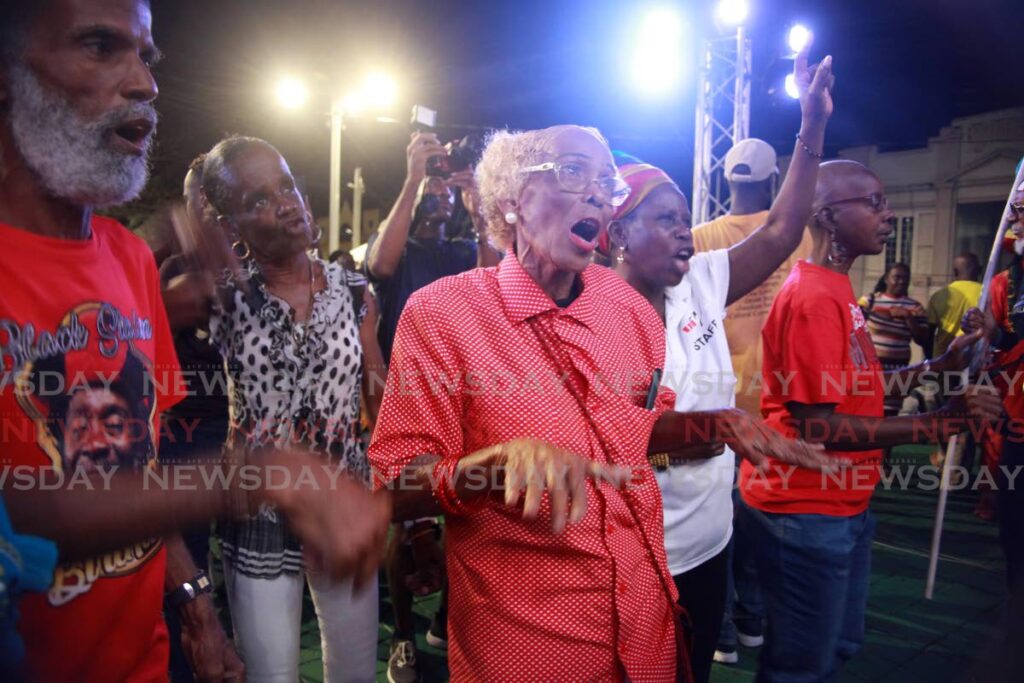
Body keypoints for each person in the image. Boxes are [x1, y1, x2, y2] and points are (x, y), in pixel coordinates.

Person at [368, 122, 835, 683]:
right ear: (512, 198)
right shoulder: (444, 313)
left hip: (647, 623)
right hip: (530, 644)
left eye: (607, 184)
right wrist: (492, 466)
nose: (596, 192)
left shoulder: (627, 309)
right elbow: (396, 487)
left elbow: (628, 438)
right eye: (573, 172)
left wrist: (717, 424)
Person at [0, 1, 242, 679]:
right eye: (101, 46)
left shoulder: (130, 259)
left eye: (146, 56)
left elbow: (142, 471)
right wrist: (259, 479)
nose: (144, 83)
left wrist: (194, 603)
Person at [605, 40, 833, 682]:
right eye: (666, 219)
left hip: (709, 540)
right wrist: (713, 431)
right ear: (617, 234)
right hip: (633, 549)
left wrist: (811, 125)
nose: (685, 230)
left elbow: (783, 231)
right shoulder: (589, 316)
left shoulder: (700, 281)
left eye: (687, 219)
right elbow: (604, 438)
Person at [739, 159, 1002, 683]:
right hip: (804, 508)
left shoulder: (838, 289)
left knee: (836, 648)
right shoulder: (814, 297)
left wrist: (938, 366)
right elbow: (821, 427)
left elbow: (859, 387)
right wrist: (940, 422)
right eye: (874, 202)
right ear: (828, 215)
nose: (889, 214)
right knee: (801, 666)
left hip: (839, 504)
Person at [173, 134, 385, 683]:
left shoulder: (357, 291)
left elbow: (376, 389)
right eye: (259, 199)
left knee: (356, 672)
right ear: (231, 223)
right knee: (270, 675)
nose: (286, 202)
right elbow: (137, 308)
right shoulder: (220, 297)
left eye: (287, 185)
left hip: (342, 501)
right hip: (258, 508)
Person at [365, 131, 499, 681]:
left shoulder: (458, 250)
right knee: (409, 526)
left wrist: (481, 207)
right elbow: (377, 266)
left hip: (465, 399)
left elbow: (494, 280)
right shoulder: (404, 246)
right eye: (434, 186)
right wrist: (414, 177)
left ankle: (447, 616)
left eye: (447, 183)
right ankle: (401, 633)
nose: (442, 193)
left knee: (467, 514)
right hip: (409, 399)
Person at [692, 138, 813, 415]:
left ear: (726, 179)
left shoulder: (699, 238)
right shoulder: (796, 235)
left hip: (718, 389)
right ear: (773, 180)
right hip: (783, 387)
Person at [858, 262, 929, 415]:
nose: (901, 281)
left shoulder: (915, 307)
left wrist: (908, 317)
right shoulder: (869, 302)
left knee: (889, 413)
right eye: (896, 277)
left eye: (905, 278)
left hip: (898, 369)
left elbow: (922, 339)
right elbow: (853, 331)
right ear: (886, 279)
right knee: (867, 410)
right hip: (871, 368)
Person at [928, 252, 982, 358]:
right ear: (980, 270)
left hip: (943, 361)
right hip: (975, 362)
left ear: (955, 272)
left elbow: (929, 335)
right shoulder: (988, 293)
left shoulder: (939, 296)